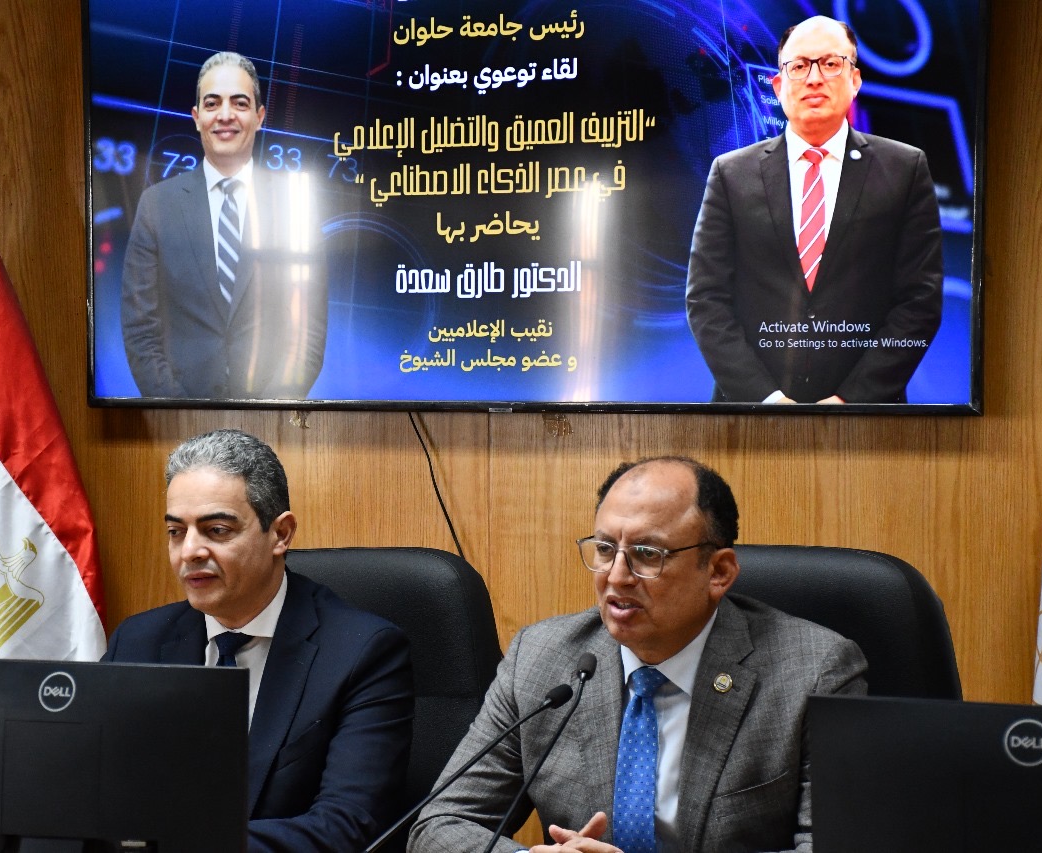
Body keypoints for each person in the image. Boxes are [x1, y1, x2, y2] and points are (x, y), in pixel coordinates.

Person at [408, 456, 867, 853]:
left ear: (719, 572)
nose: (616, 576)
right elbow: (439, 825)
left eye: (647, 554)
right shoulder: (541, 659)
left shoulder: (815, 671)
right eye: (605, 549)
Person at [103, 428, 412, 851]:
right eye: (176, 531)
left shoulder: (362, 652)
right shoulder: (138, 641)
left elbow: (347, 827)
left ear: (281, 534)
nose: (189, 551)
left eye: (216, 530)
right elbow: (92, 791)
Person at [685, 16, 943, 404]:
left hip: (869, 419)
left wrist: (851, 400)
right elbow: (706, 299)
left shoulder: (905, 169)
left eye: (831, 63)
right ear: (778, 85)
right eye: (800, 66)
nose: (814, 78)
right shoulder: (730, 174)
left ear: (855, 80)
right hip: (751, 416)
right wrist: (766, 399)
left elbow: (920, 301)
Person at [121, 52, 328, 400]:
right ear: (197, 117)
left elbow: (307, 336)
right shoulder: (156, 205)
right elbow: (140, 331)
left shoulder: (295, 204)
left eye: (240, 103)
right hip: (180, 420)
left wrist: (267, 417)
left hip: (271, 420)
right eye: (213, 103)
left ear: (259, 117)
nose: (226, 115)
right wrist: (182, 415)